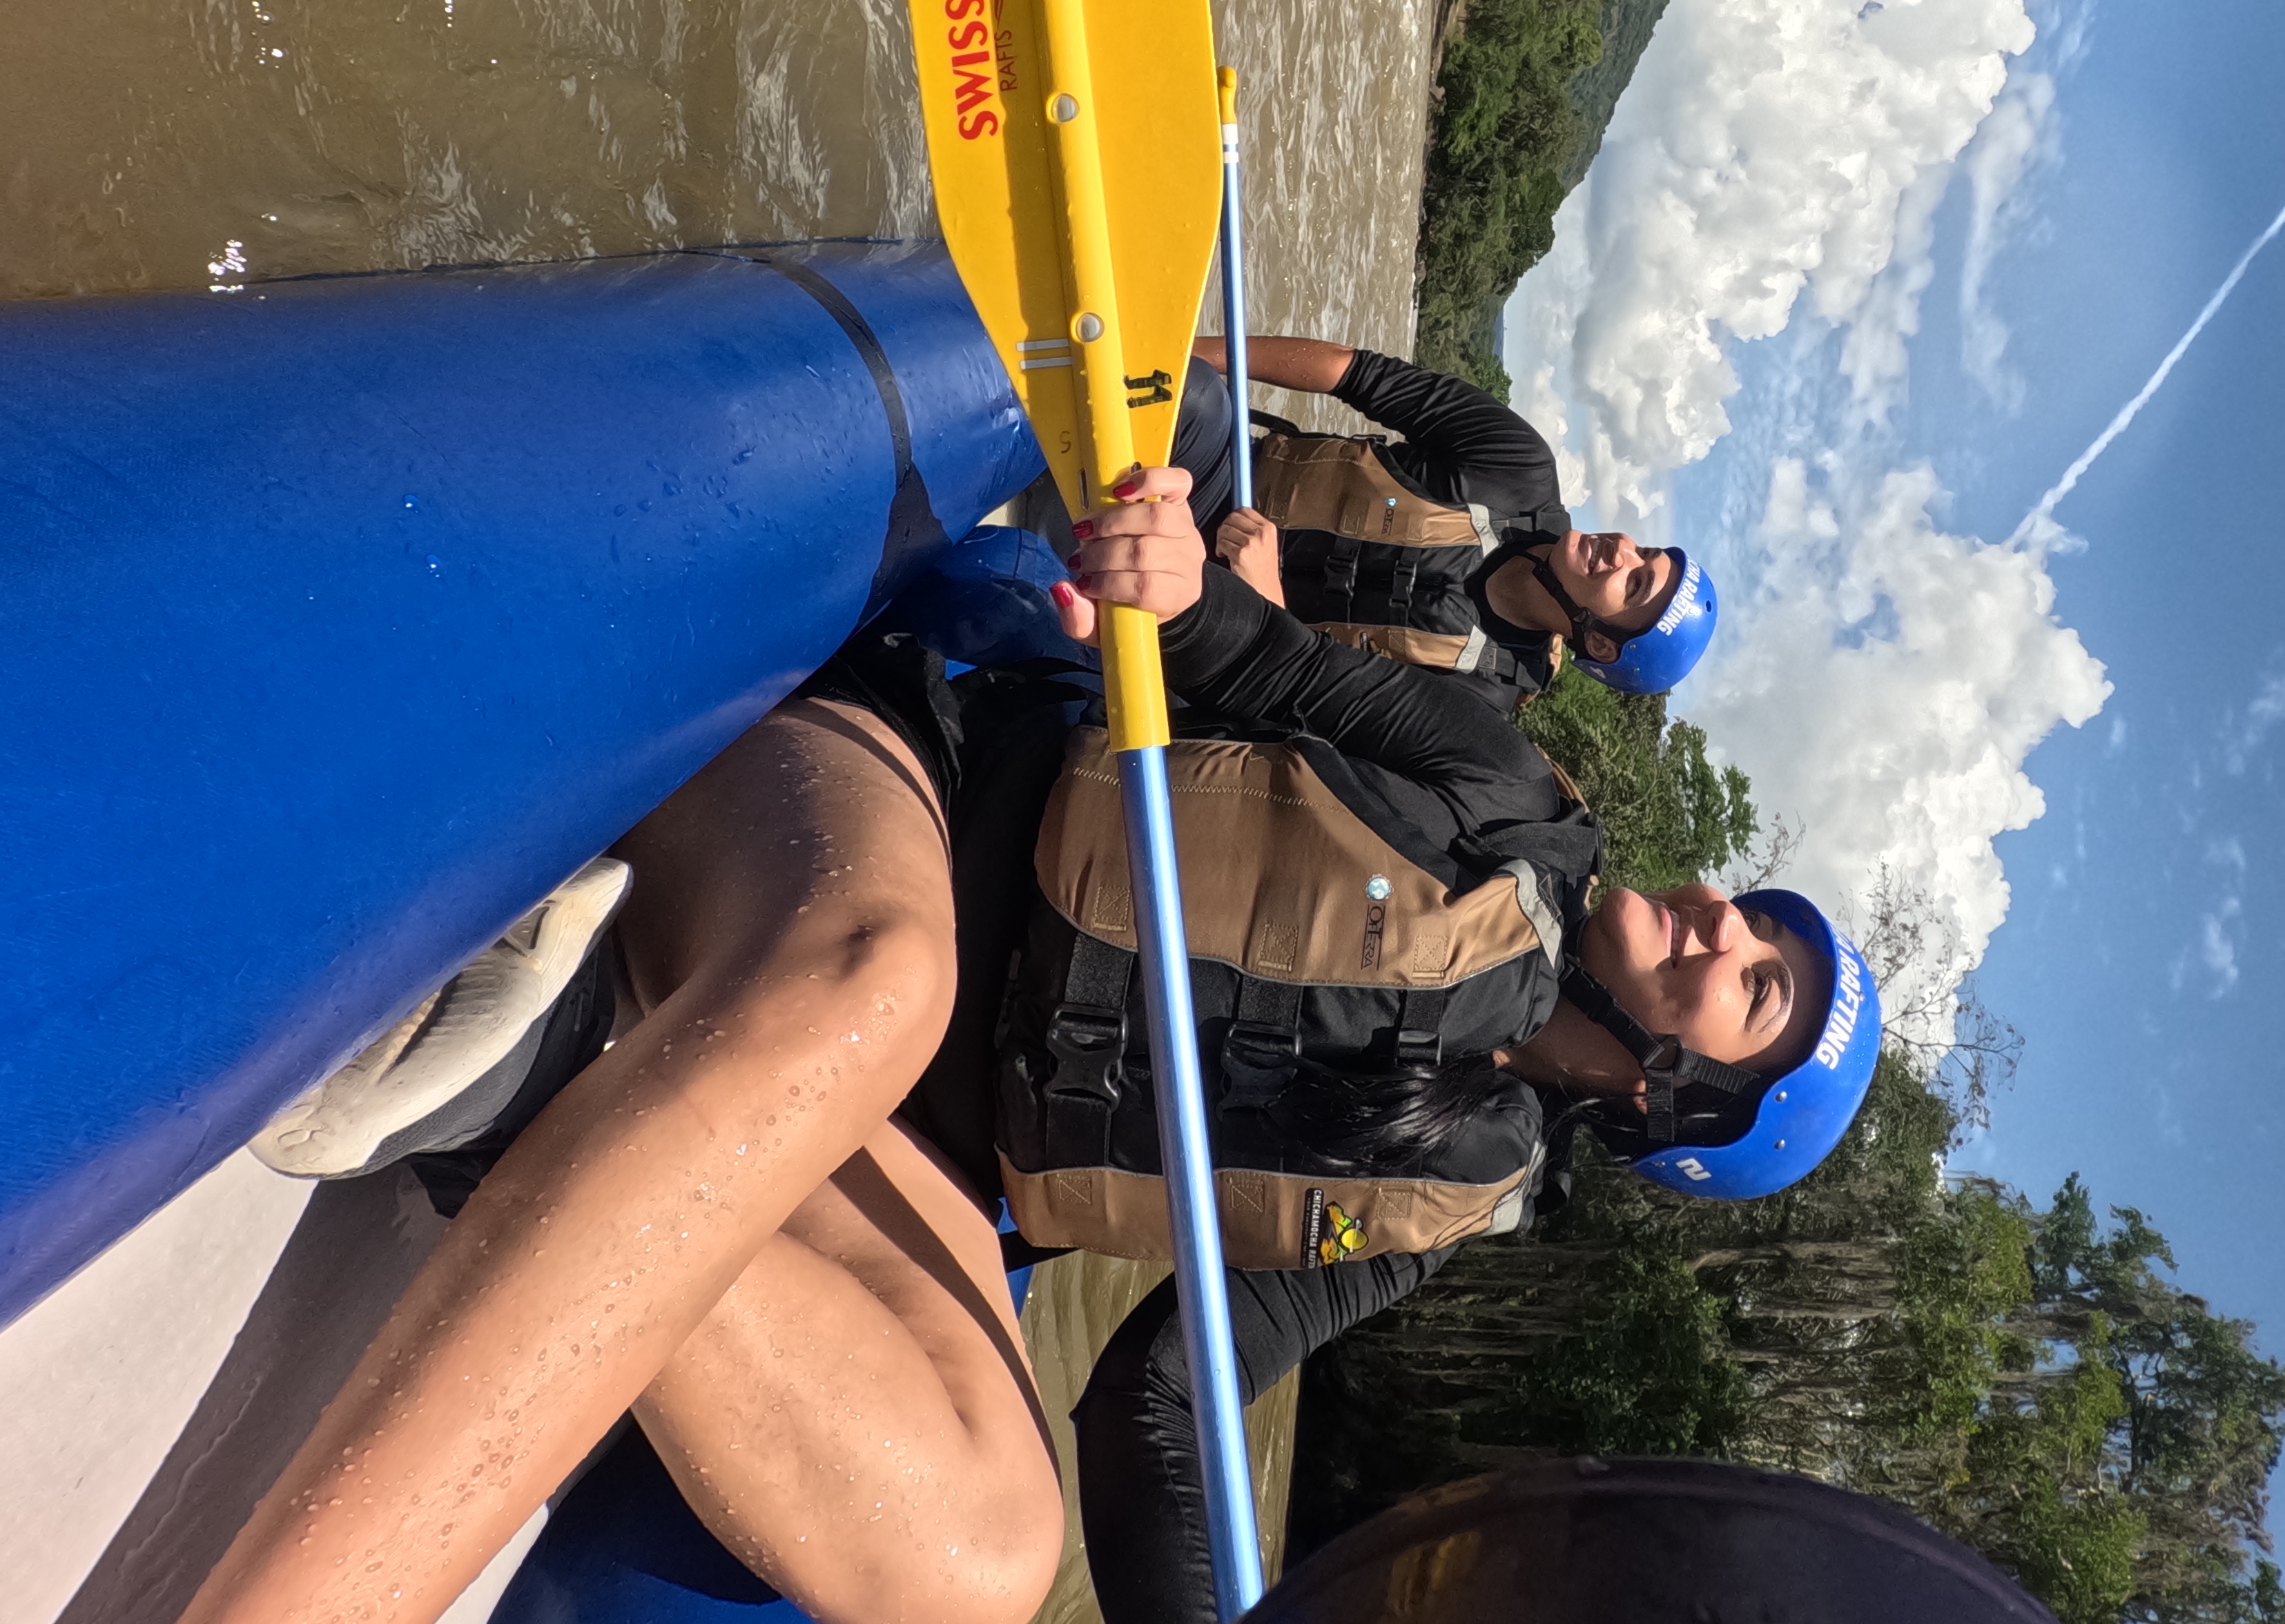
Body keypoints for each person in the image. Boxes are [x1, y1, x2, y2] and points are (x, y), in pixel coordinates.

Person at [191, 467, 1878, 1624]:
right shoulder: (1506, 794)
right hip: (885, 808)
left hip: (918, 1144)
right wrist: (1174, 582)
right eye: (1760, 921)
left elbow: (1154, 1399)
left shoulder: (1448, 1202)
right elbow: (1244, 656)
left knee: (988, 1556)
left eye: (1757, 987)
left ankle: (522, 1070)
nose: (1728, 919)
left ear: (1680, 1100)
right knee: (883, 985)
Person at [1195, 333, 1719, 710]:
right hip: (1225, 473)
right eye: (1644, 551)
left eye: (1634, 584)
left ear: (1600, 643)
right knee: (1196, 392)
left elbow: (1309, 708)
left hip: (1224, 627)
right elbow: (1354, 372)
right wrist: (1189, 355)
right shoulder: (1520, 469)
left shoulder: (1480, 694)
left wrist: (1264, 610)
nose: (1623, 548)